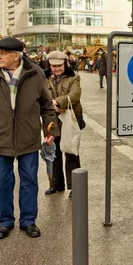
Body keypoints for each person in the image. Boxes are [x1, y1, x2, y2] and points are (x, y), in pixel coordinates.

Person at [0, 37, 56, 239]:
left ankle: (28, 221)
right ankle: (5, 221)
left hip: (28, 138)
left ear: (15, 56)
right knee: (2, 183)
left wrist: (51, 131)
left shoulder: (35, 73)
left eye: (1, 53)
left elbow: (46, 105)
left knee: (29, 182)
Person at [45, 51, 83, 198]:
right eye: (53, 66)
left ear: (65, 64)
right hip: (51, 119)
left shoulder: (74, 77)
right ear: (49, 65)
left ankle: (75, 186)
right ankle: (56, 184)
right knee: (53, 151)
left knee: (71, 151)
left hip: (69, 119)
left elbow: (75, 95)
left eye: (59, 66)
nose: (57, 69)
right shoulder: (44, 77)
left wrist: (56, 102)